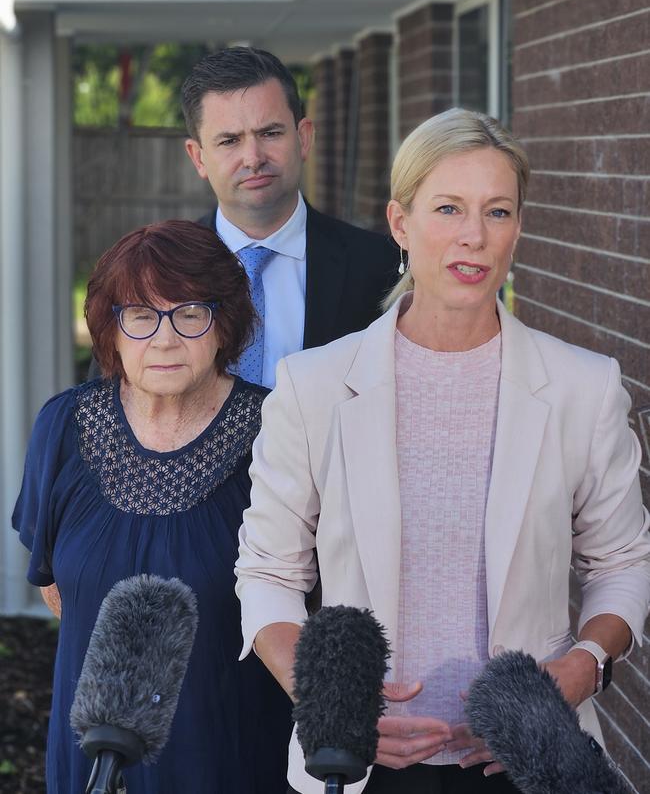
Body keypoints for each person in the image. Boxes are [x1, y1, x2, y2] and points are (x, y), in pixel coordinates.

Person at [235, 108, 650, 794]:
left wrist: (579, 670)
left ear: (517, 227)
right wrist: (331, 708)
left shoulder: (584, 385)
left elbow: (623, 560)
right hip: (356, 765)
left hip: (532, 759)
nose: (473, 236)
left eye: (497, 211)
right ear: (401, 223)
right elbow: (268, 573)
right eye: (449, 207)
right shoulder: (313, 386)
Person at [13, 220, 293, 794]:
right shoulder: (64, 426)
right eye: (140, 316)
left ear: (226, 324)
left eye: (190, 313)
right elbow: (58, 592)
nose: (165, 339)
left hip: (227, 761)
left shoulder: (281, 432)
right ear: (110, 331)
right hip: (88, 765)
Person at [182, 46, 399, 387]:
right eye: (229, 141)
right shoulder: (154, 270)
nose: (253, 158)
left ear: (303, 138)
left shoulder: (380, 267)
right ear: (198, 157)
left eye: (270, 133)